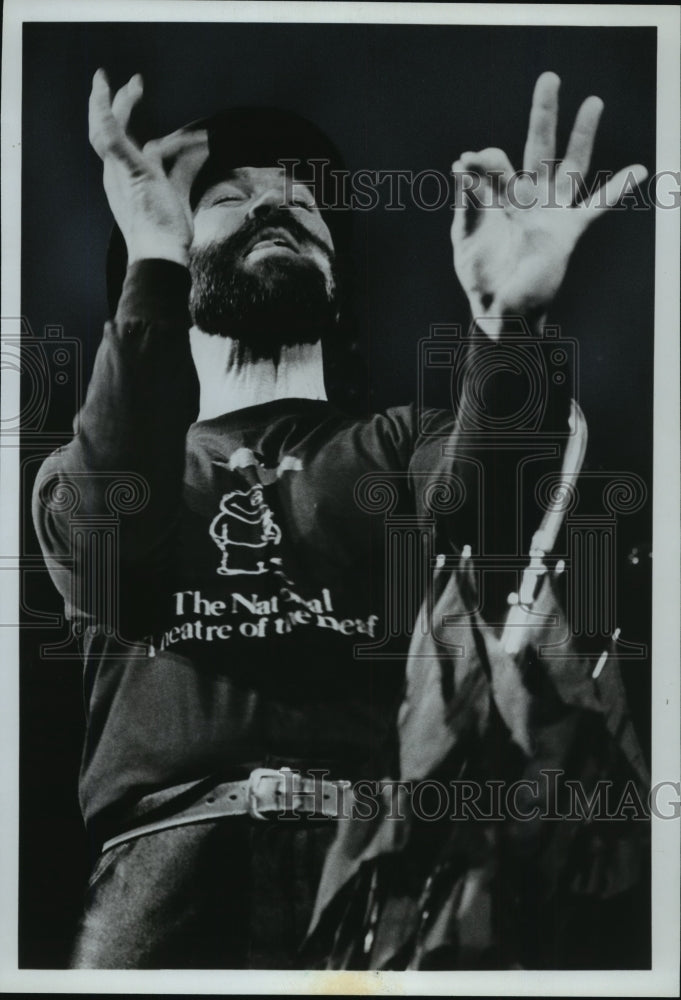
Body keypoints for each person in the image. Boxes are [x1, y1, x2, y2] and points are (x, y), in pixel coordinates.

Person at [32, 67, 647, 969]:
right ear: (156, 250)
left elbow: (489, 525)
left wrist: (508, 331)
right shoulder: (92, 467)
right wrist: (154, 260)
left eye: (304, 203)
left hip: (380, 876)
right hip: (166, 880)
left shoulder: (401, 445)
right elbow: (109, 551)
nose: (277, 208)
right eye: (232, 195)